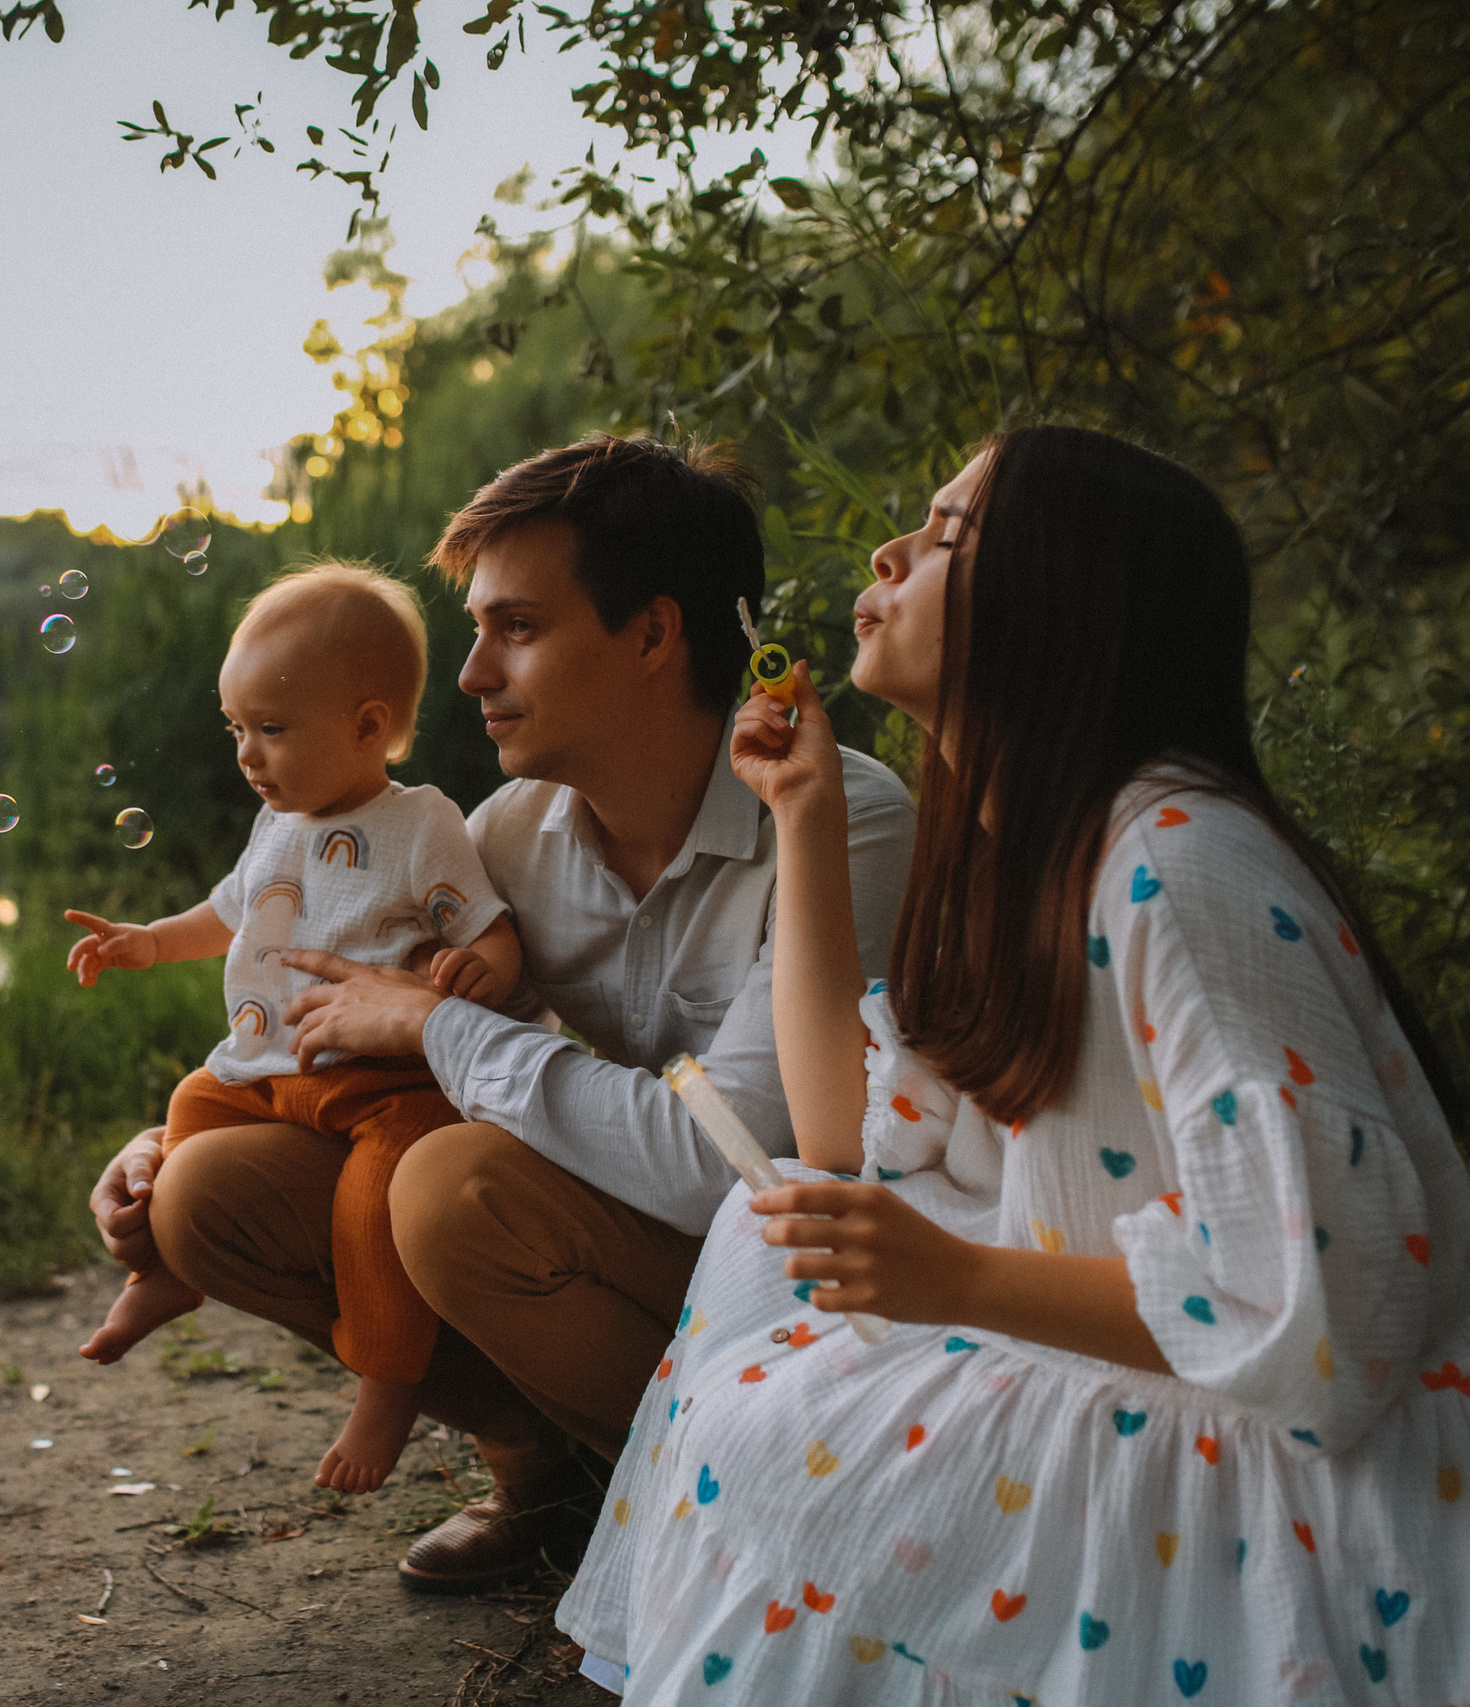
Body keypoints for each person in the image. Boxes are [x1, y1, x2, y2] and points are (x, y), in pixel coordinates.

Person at [557, 425, 1470, 1702]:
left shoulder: (1178, 868)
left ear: (1061, 606)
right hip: (1172, 1354)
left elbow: (1333, 1316)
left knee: (798, 1417)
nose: (889, 549)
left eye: (945, 536)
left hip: (1324, 1449)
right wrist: (804, 820)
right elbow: (836, 1137)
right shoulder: (1022, 854)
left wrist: (965, 1279)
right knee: (765, 1250)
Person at [84, 434, 918, 1591]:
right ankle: (547, 1473)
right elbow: (324, 1014)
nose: (471, 673)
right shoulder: (504, 838)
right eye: (475, 629)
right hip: (637, 1244)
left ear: (652, 635)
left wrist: (436, 1027)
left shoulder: (839, 825)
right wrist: (175, 1137)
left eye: (515, 630)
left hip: (808, 1281)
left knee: (450, 1188)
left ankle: (715, 1508)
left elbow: (728, 1162)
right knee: (211, 1197)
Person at [65, 562, 524, 1493]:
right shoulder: (277, 826)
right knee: (194, 1100)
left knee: (373, 1210)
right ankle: (165, 1272)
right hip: (274, 1064)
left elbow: (488, 929)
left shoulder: (419, 824)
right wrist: (147, 944)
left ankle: (389, 1383)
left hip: (388, 1085)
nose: (247, 756)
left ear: (366, 725)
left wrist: (488, 971)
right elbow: (231, 912)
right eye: (237, 729)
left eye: (271, 730)